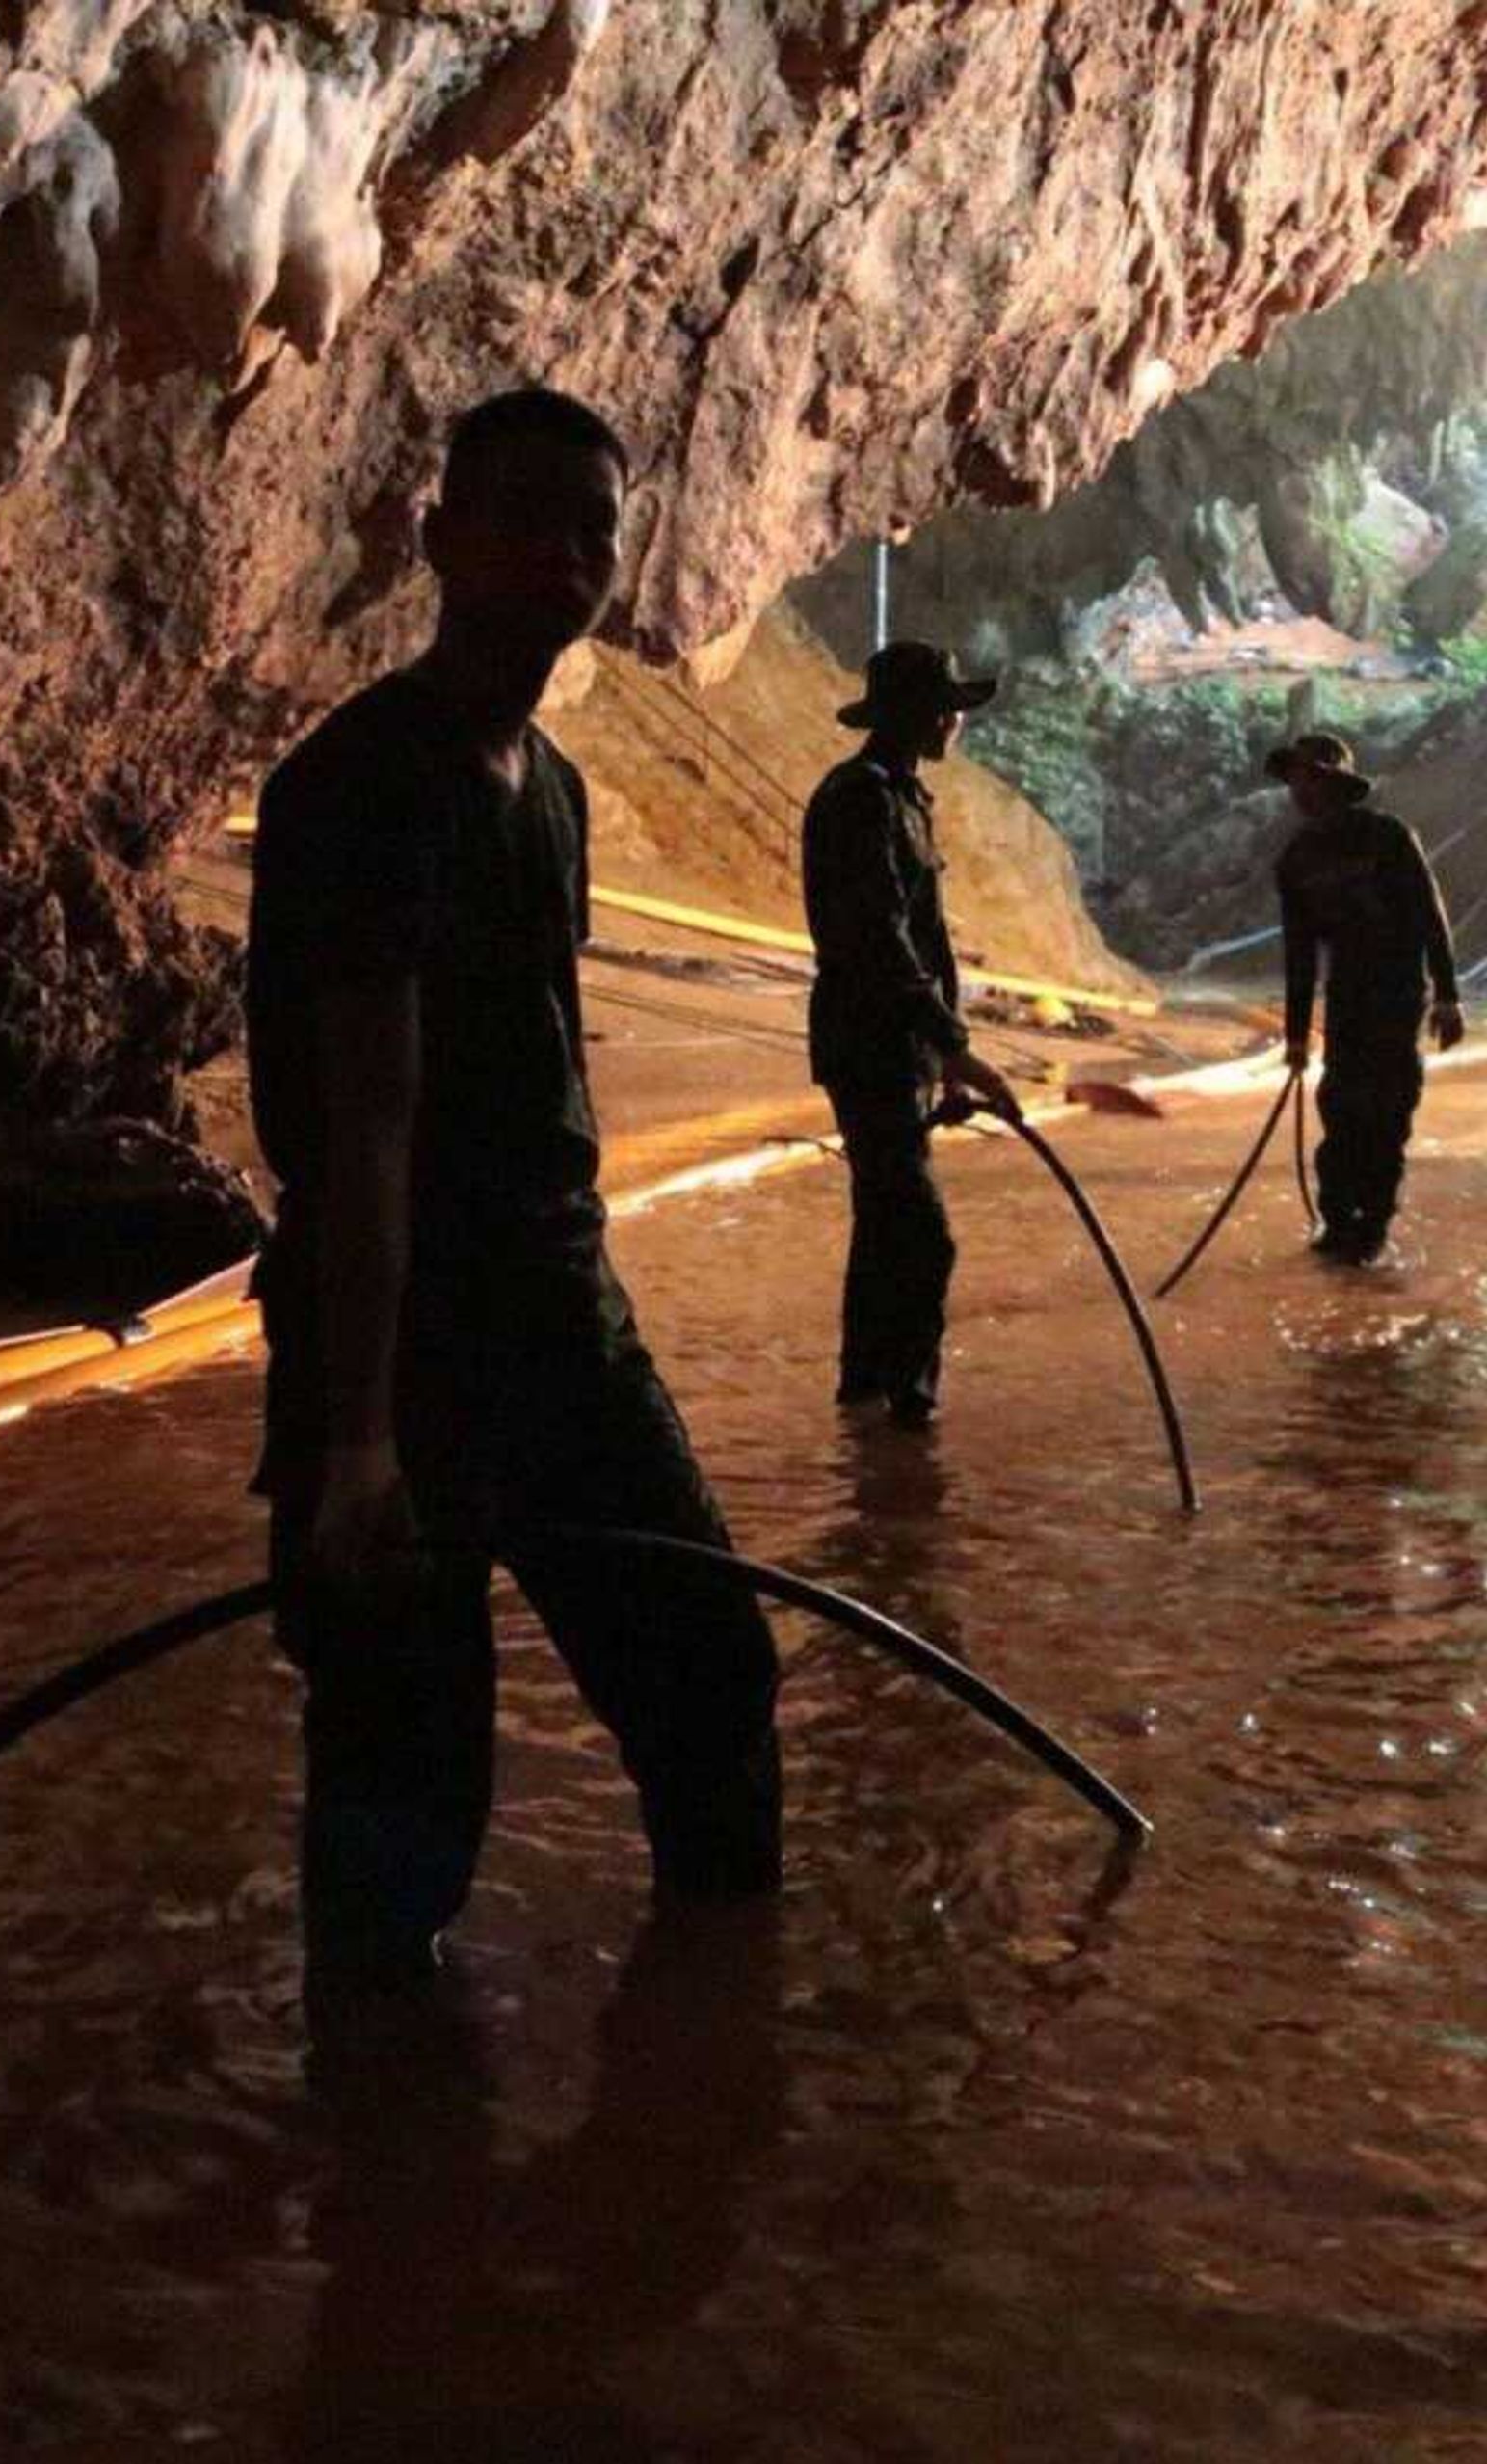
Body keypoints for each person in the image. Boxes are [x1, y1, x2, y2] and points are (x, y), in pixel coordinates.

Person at [246, 386, 782, 1996]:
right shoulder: (363, 782)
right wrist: (354, 1443)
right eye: (521, 518)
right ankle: (384, 2172)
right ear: (437, 542)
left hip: (562, 1317)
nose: (560, 554)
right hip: (402, 1343)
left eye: (591, 528)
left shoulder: (547, 787)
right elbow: (365, 1120)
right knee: (406, 1792)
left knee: (711, 1676)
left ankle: (718, 2096)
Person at [801, 639, 1022, 1429]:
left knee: (887, 1220)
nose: (956, 722)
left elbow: (922, 940)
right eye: (948, 709)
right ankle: (906, 1412)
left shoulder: (901, 796)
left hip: (900, 1045)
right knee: (922, 1235)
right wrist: (957, 1045)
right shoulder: (859, 799)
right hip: (869, 1043)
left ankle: (866, 1396)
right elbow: (880, 942)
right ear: (921, 716)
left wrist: (944, 1057)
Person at [1270, 733, 1464, 1261]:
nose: (1297, 788)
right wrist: (1293, 1034)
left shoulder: (1389, 837)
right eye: (1293, 778)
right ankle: (1338, 1224)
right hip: (1348, 999)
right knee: (1339, 1110)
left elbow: (1430, 915)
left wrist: (1448, 996)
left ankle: (1373, 1229)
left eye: (1307, 776)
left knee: (1387, 1113)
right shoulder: (1296, 860)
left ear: (1332, 782)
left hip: (1400, 997)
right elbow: (1300, 954)